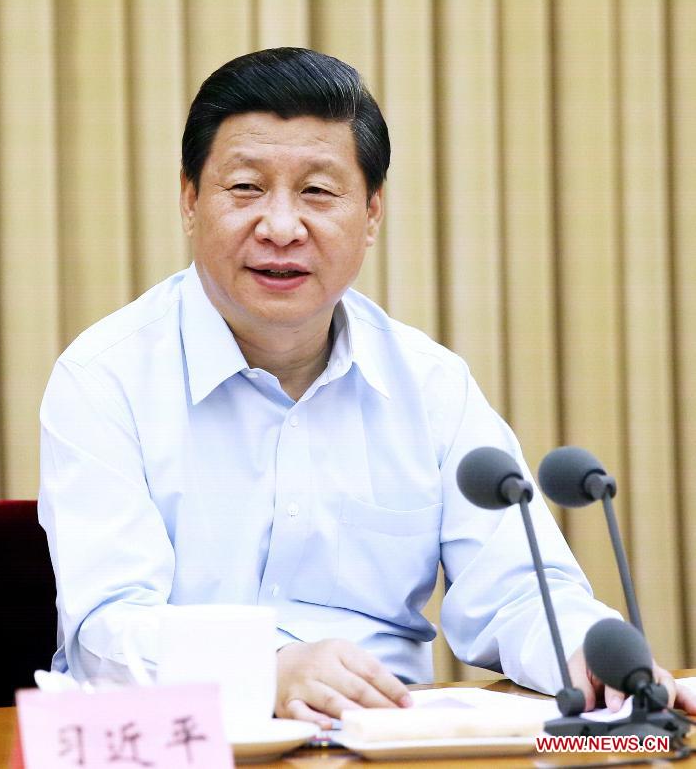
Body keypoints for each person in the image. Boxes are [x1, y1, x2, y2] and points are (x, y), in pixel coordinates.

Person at [39, 47, 696, 727]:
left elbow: (516, 588)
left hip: (383, 742)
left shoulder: (430, 386)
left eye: (318, 192)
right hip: (183, 742)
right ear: (189, 201)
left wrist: (585, 654)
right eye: (245, 188)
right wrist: (260, 671)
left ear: (372, 215)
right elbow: (105, 629)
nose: (281, 227)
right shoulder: (104, 380)